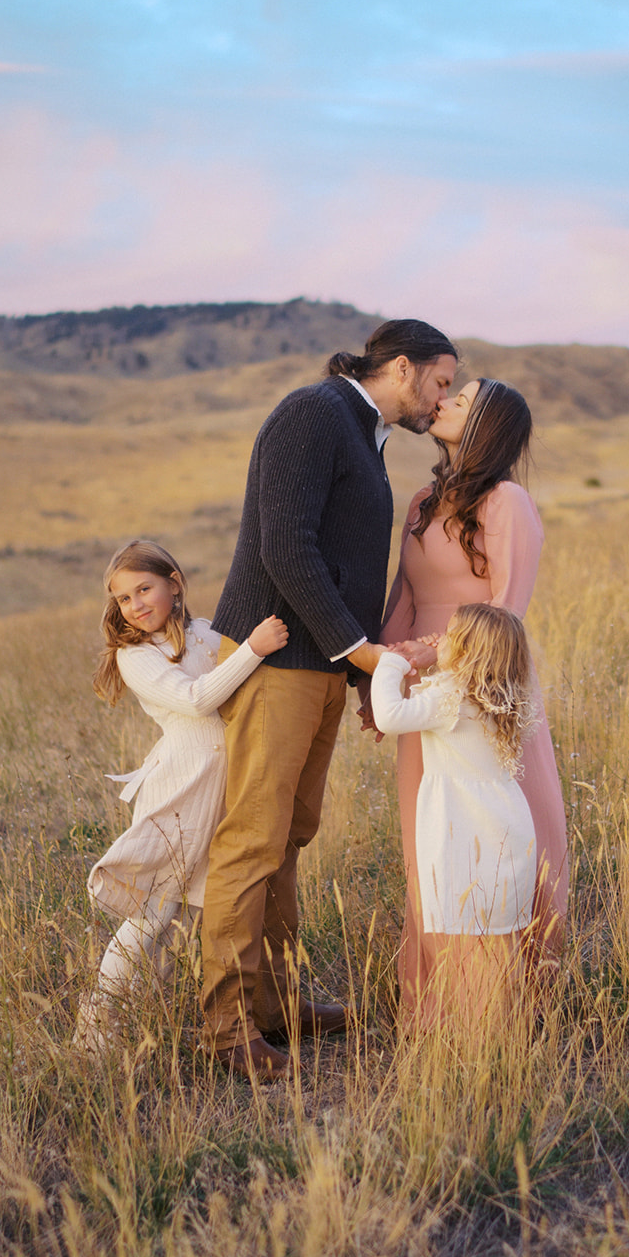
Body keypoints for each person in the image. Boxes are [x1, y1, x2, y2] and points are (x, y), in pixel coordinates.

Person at [202, 319, 459, 1081]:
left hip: (316, 666)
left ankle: (276, 1007)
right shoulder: (313, 413)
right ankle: (222, 1029)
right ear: (404, 368)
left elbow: (343, 565)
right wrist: (361, 652)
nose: (441, 399)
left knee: (289, 836)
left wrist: (354, 675)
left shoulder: (361, 431)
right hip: (273, 656)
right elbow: (286, 546)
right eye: (441, 382)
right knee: (253, 839)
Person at [379, 377, 568, 1019]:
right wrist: (382, 676)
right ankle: (440, 1007)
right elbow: (404, 598)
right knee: (430, 840)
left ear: (486, 424)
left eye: (462, 399)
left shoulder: (507, 501)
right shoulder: (422, 501)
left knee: (512, 829)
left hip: (485, 684)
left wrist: (443, 656)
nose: (445, 401)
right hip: (422, 686)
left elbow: (508, 607)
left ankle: (517, 1001)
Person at [75, 540, 287, 1055]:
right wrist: (255, 647)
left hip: (223, 790)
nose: (136, 605)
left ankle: (152, 1019)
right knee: (153, 910)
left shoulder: (204, 633)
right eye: (124, 599)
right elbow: (198, 700)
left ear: (174, 581)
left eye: (144, 589)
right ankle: (96, 1026)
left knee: (187, 915)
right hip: (181, 790)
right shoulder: (135, 656)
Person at [372, 603, 537, 1024]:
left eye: (448, 635)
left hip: (465, 835)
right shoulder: (493, 696)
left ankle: (475, 1033)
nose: (438, 639)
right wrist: (435, 666)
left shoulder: (450, 697)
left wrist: (390, 664)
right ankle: (502, 1029)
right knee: (494, 940)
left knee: (466, 941)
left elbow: (389, 716)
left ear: (466, 652)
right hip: (503, 828)